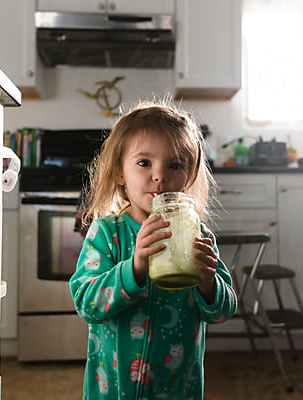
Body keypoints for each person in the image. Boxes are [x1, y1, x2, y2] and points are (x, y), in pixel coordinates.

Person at [69, 100, 237, 399]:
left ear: (188, 175)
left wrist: (209, 283)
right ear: (120, 172)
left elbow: (223, 312)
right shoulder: (108, 233)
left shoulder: (198, 236)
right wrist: (133, 268)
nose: (160, 175)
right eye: (144, 163)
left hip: (177, 390)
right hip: (114, 390)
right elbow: (86, 304)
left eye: (174, 165)